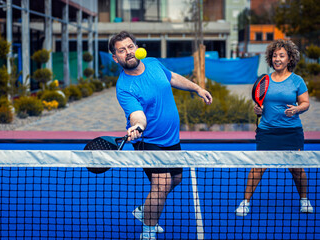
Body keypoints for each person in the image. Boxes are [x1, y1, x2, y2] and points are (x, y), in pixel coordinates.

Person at [108, 31, 213, 239]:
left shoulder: (153, 63)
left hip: (171, 138)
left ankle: (144, 209)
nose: (128, 52)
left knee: (177, 178)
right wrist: (137, 126)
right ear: (115, 58)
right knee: (162, 183)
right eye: (122, 50)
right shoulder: (124, 87)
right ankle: (148, 231)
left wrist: (197, 88)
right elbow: (138, 116)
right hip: (149, 141)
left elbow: (172, 77)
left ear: (136, 47)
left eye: (130, 47)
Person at [235, 39, 313, 217]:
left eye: (282, 55)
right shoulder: (265, 80)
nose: (277, 59)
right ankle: (245, 202)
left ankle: (304, 200)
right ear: (271, 58)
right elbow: (260, 104)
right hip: (267, 130)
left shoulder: (297, 80)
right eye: (275, 55)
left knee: (297, 169)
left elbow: (305, 103)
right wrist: (258, 109)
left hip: (291, 131)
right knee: (258, 167)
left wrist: (296, 109)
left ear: (289, 59)